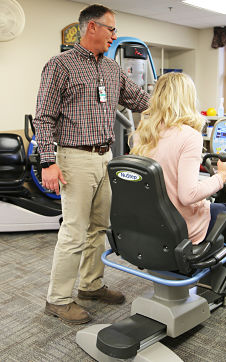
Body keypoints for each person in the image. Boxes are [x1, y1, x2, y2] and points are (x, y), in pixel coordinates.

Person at [33, 4, 150, 324]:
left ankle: (90, 285)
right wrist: (47, 162)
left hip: (105, 158)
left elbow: (141, 101)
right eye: (111, 29)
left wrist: (174, 99)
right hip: (73, 158)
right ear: (91, 28)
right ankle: (57, 299)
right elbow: (43, 118)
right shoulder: (60, 66)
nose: (115, 35)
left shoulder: (112, 69)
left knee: (99, 228)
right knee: (74, 231)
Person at [130, 72, 226, 248]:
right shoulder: (189, 136)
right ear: (188, 99)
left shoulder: (143, 134)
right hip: (178, 225)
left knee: (213, 207)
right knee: (225, 211)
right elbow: (188, 196)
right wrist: (222, 176)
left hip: (150, 222)